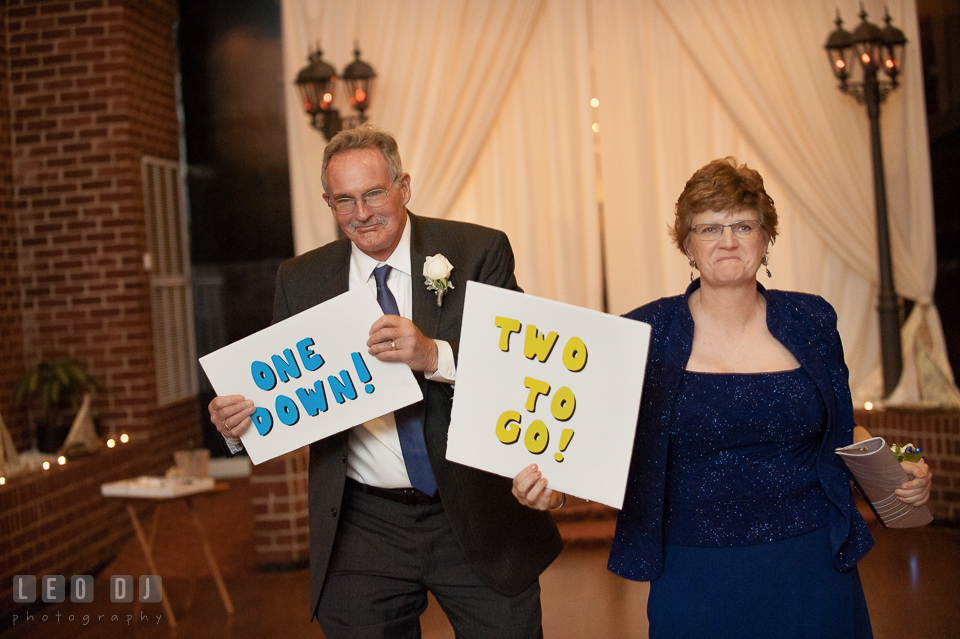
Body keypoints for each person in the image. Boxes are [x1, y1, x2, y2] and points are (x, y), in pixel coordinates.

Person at [512, 157, 932, 637]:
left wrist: (897, 466)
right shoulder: (643, 332)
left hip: (812, 559)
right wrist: (554, 490)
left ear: (766, 237)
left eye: (742, 225)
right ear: (687, 244)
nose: (728, 240)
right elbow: (599, 445)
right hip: (695, 569)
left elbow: (843, 429)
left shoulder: (813, 320)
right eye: (709, 228)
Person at [209, 125, 562, 637]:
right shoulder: (300, 280)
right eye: (344, 200)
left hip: (473, 506)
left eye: (374, 193)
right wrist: (237, 423)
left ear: (404, 186)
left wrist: (433, 354)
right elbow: (284, 394)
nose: (362, 213)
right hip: (362, 521)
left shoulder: (478, 250)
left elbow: (520, 370)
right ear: (328, 204)